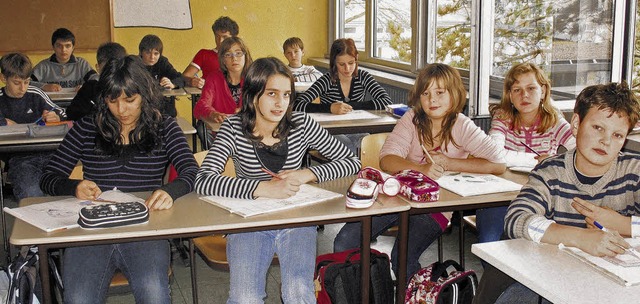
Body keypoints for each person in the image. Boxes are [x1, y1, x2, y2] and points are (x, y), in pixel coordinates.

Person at [195, 57, 360, 303]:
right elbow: (204, 180)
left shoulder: (302, 124)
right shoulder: (233, 127)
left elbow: (352, 161)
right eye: (271, 93)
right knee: (245, 298)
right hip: (250, 223)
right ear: (252, 95)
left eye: (286, 95)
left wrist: (307, 174)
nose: (280, 103)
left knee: (298, 293)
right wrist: (263, 188)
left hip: (295, 220)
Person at [40, 55, 198, 304]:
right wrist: (74, 186)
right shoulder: (87, 128)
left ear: (144, 94)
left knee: (154, 295)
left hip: (144, 230)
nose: (121, 110)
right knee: (79, 299)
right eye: (112, 101)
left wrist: (170, 190)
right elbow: (48, 177)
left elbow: (191, 171)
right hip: (92, 232)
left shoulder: (164, 127)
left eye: (130, 100)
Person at [333, 63, 506, 280]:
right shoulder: (412, 119)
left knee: (402, 258)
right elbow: (387, 159)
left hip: (435, 207)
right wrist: (422, 169)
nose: (432, 100)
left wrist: (450, 162)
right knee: (344, 241)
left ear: (454, 94)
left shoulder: (461, 124)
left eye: (440, 92)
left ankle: (414, 295)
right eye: (426, 93)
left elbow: (498, 163)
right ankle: (362, 293)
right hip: (397, 197)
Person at [474, 82, 640, 304]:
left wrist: (622, 224)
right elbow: (516, 219)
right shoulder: (551, 172)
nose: (606, 141)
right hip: (550, 277)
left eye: (618, 135)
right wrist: (581, 237)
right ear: (575, 124)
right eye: (597, 128)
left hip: (612, 284)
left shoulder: (634, 172)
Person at [476, 62, 576, 244]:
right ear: (510, 95)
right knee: (488, 241)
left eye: (531, 88)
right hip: (500, 194)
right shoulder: (503, 117)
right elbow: (494, 154)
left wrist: (555, 160)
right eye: (517, 90)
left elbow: (580, 153)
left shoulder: (555, 121)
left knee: (538, 246)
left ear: (543, 91)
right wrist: (541, 161)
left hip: (541, 195)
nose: (525, 95)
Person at [293, 38, 392, 152]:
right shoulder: (327, 80)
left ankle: (360, 168)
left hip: (355, 129)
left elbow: (386, 101)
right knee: (347, 146)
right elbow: (297, 105)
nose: (347, 68)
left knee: (367, 144)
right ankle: (353, 168)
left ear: (356, 59)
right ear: (334, 62)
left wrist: (351, 106)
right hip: (330, 132)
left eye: (351, 63)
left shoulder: (363, 77)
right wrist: (330, 108)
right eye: (341, 64)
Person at [0, 52, 64, 203]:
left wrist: (56, 116)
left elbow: (62, 111)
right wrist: (3, 123)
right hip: (20, 158)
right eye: (17, 83)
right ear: (3, 78)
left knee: (64, 191)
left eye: (27, 82)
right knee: (32, 194)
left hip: (50, 153)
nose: (23, 88)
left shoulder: (35, 93)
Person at [193, 36, 253, 146]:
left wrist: (246, 110)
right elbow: (200, 106)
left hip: (247, 130)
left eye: (238, 53)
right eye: (228, 55)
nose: (234, 58)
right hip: (220, 132)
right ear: (223, 60)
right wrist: (212, 114)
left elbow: (262, 105)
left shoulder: (254, 78)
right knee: (202, 127)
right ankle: (216, 158)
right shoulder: (214, 78)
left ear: (246, 56)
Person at [66, 42, 127, 121]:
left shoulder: (132, 87)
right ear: (97, 68)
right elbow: (72, 114)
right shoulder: (89, 89)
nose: (110, 73)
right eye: (106, 69)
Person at [31, 28, 96, 92]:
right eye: (59, 46)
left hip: (76, 101)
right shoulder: (44, 66)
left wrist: (86, 86)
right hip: (50, 102)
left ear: (73, 48)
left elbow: (96, 79)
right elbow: (26, 82)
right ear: (53, 47)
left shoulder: (81, 64)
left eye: (67, 46)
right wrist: (43, 86)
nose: (63, 50)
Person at [182, 16, 239, 88]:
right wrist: (192, 81)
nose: (220, 40)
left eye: (225, 37)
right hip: (209, 96)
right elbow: (185, 76)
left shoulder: (240, 57)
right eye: (217, 36)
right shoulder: (204, 54)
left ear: (233, 38)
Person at [138, 34, 185, 117]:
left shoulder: (162, 62)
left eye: (156, 53)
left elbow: (181, 78)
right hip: (142, 111)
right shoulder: (134, 64)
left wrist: (173, 84)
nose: (152, 57)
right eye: (148, 52)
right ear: (141, 52)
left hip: (164, 111)